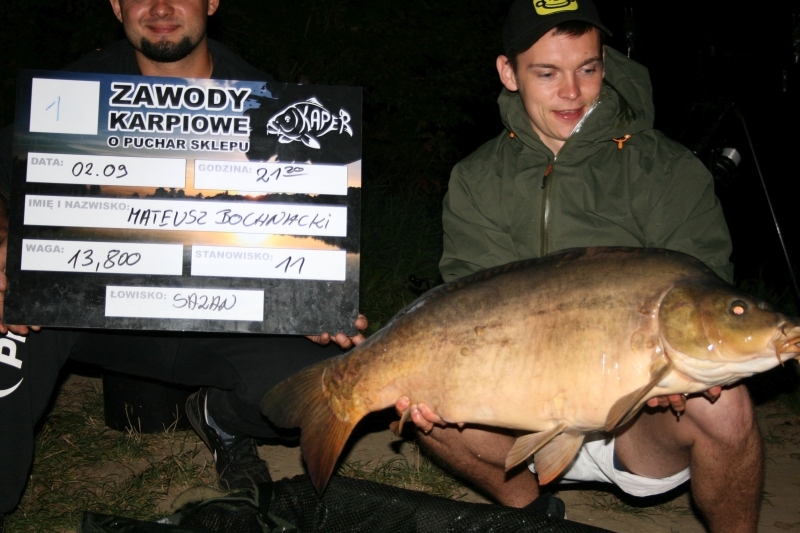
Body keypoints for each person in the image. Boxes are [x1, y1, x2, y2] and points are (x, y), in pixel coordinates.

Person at [395, 1, 761, 532]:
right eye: (547, 73)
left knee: (727, 406)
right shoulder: (477, 179)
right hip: (519, 416)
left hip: (641, 420)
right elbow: (472, 307)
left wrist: (684, 370)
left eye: (587, 69)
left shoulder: (666, 168)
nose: (572, 92)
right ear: (509, 73)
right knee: (429, 399)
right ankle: (533, 514)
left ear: (604, 63)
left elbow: (701, 292)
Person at [0, 0, 366, 529]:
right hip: (94, 315)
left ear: (212, 1)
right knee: (6, 324)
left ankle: (221, 417)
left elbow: (299, 220)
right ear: (116, 5)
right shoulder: (69, 93)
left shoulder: (269, 101)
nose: (161, 6)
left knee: (326, 387)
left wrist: (312, 301)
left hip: (221, 320)